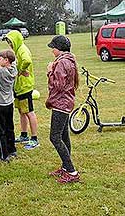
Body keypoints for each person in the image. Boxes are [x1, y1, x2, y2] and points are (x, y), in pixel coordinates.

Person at [45, 35, 80, 184]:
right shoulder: (70, 60)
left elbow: (57, 85)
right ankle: (65, 167)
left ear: (58, 48)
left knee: (55, 137)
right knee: (64, 136)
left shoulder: (60, 63)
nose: (52, 50)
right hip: (66, 103)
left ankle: (72, 171)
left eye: (53, 47)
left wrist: (50, 71)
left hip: (61, 104)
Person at [4, 30, 39, 150]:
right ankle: (24, 135)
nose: (9, 44)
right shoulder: (17, 50)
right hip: (18, 87)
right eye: (8, 42)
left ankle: (34, 138)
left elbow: (27, 61)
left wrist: (20, 69)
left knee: (29, 112)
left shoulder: (22, 50)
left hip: (24, 87)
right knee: (21, 111)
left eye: (10, 41)